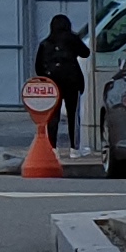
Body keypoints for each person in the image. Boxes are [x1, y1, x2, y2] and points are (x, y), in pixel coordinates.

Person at [34, 13, 91, 150]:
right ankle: (74, 148)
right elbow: (86, 53)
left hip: (53, 84)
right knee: (73, 116)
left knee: (53, 117)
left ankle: (52, 148)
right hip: (72, 82)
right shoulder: (72, 39)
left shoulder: (45, 43)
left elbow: (38, 67)